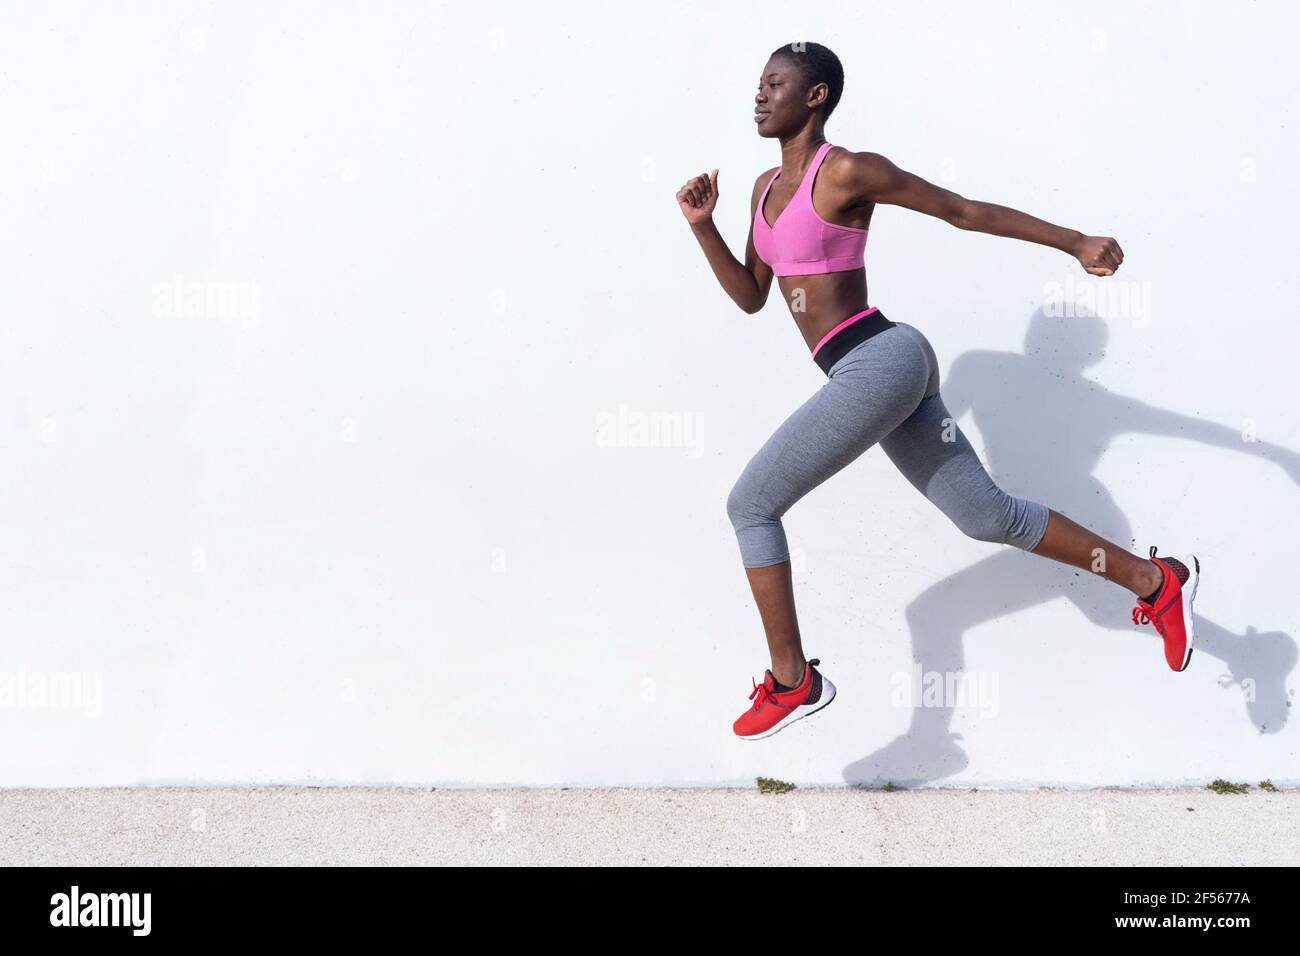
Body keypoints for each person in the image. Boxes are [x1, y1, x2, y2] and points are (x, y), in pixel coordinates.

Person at [675, 42, 1199, 741]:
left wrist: (1074, 241)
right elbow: (749, 295)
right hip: (873, 371)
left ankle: (793, 681)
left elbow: (958, 209)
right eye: (759, 84)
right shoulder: (761, 191)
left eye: (776, 83)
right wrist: (702, 226)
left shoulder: (849, 172)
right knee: (987, 516)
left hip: (879, 360)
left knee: (751, 502)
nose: (760, 95)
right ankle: (1154, 581)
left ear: (817, 96)